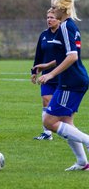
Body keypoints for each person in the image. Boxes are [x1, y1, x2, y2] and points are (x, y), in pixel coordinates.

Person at [36, 0, 89, 171]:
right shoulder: (68, 26)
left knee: (49, 121)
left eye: (53, 7)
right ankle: (82, 163)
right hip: (72, 80)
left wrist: (51, 75)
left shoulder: (66, 27)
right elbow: (64, 55)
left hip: (71, 82)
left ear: (62, 9)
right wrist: (47, 65)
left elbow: (72, 56)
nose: (51, 11)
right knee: (66, 122)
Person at [31, 8, 60, 140]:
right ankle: (47, 133)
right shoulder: (43, 35)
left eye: (52, 17)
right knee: (46, 101)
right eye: (47, 17)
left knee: (61, 106)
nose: (49, 20)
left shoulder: (63, 34)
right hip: (46, 76)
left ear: (59, 18)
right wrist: (34, 71)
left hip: (62, 75)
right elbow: (39, 55)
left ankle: (68, 129)